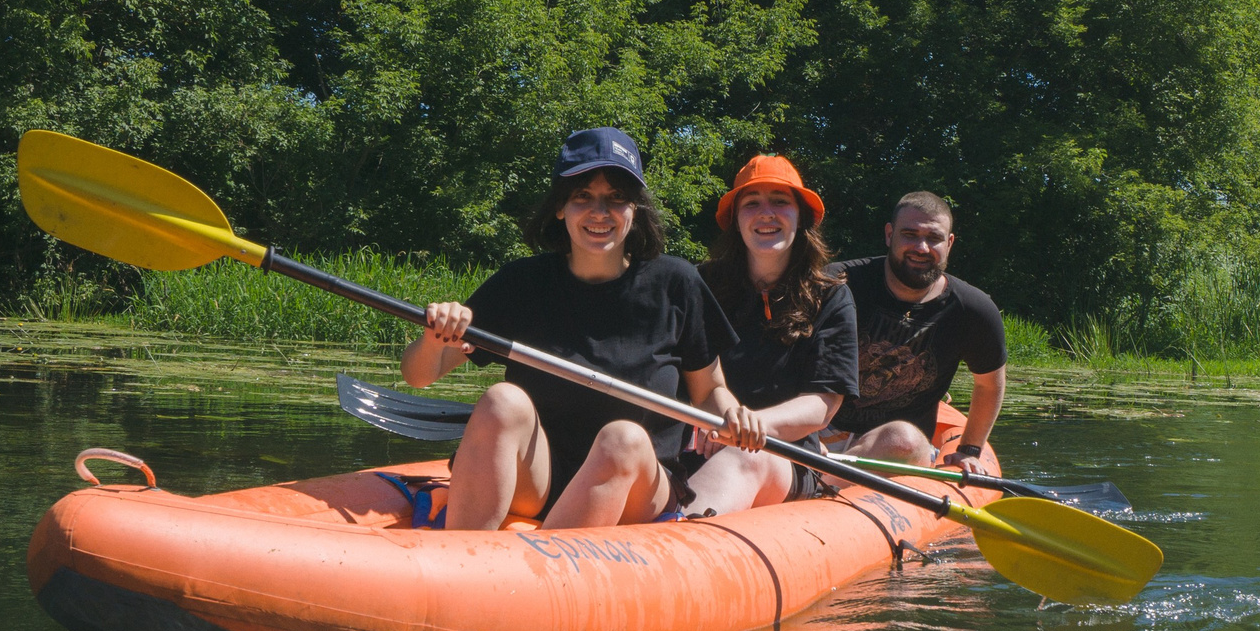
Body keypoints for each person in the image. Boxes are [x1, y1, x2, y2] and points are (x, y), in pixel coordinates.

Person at [402, 128, 759, 528]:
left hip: (638, 484)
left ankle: (546, 574)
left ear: (635, 209)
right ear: (560, 208)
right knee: (502, 400)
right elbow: (420, 375)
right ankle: (462, 560)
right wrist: (435, 340)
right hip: (541, 478)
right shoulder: (522, 282)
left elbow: (710, 391)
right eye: (582, 197)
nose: (600, 212)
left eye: (616, 199)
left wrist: (734, 415)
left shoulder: (676, 282)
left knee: (621, 439)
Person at [681, 154, 861, 516]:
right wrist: (718, 423)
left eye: (780, 202)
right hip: (698, 446)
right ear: (736, 220)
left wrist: (744, 427)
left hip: (785, 456)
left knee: (747, 458)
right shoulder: (700, 284)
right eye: (752, 203)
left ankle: (676, 543)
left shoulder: (831, 295)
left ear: (800, 217)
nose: (766, 213)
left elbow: (823, 406)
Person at [829, 190, 1007, 469]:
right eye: (909, 234)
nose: (921, 248)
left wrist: (970, 449)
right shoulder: (836, 284)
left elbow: (989, 384)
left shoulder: (973, 310)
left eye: (933, 238)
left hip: (902, 447)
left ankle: (821, 486)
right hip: (822, 431)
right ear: (890, 235)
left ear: (949, 243)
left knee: (902, 439)